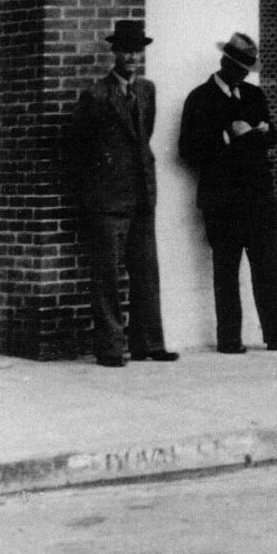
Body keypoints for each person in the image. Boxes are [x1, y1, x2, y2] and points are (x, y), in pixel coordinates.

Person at [178, 32, 277, 355]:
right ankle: (229, 339)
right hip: (222, 200)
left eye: (246, 69)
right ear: (224, 63)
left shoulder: (254, 94)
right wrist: (226, 137)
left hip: (258, 198)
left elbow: (272, 135)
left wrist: (260, 133)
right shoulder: (200, 99)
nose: (243, 75)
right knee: (226, 269)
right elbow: (188, 150)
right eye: (238, 68)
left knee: (270, 269)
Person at [71, 19, 179, 367]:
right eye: (126, 50)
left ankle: (148, 342)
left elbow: (142, 137)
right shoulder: (97, 95)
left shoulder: (147, 91)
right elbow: (79, 150)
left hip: (142, 195)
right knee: (107, 276)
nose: (132, 57)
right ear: (114, 52)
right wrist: (96, 188)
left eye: (137, 50)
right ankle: (110, 347)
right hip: (108, 199)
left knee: (146, 271)